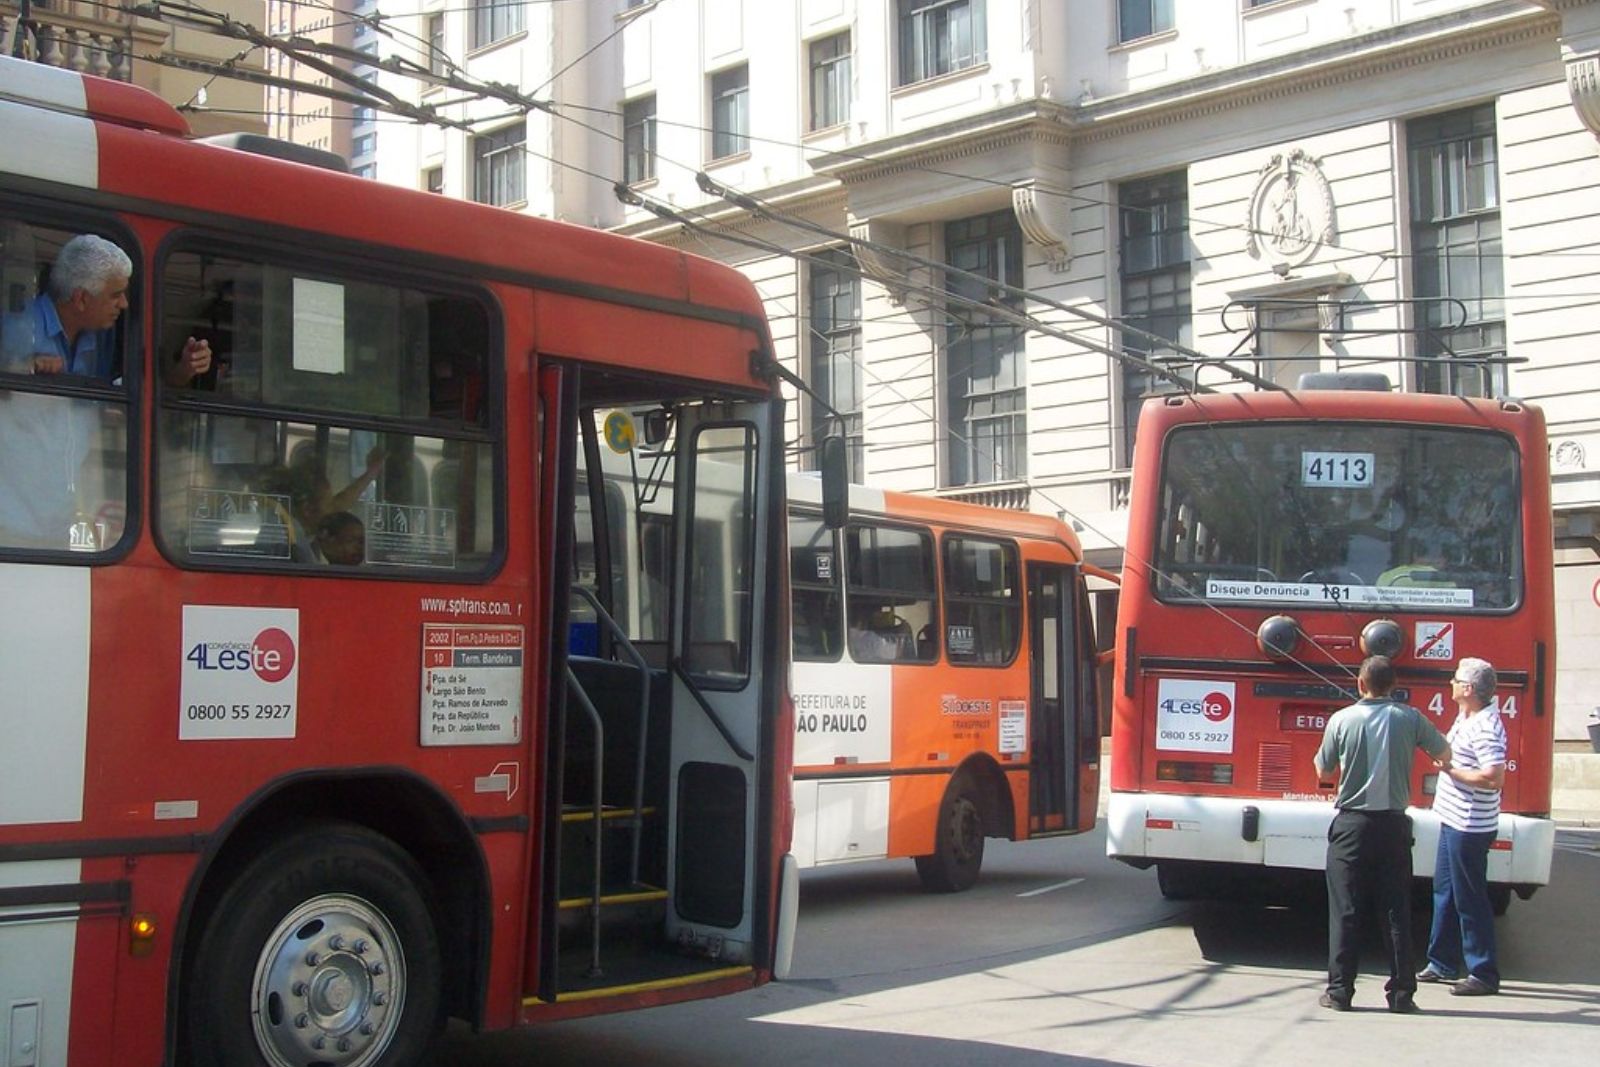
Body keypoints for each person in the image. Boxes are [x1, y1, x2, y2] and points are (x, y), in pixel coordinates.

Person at [1314, 655, 1451, 1013]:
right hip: (1393, 825)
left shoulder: (1340, 720)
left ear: (1360, 684)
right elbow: (1443, 751)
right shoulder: (1410, 718)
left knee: (1345, 908)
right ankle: (1402, 994)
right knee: (1395, 910)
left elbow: (1324, 768)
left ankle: (1340, 991)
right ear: (1394, 685)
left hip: (1351, 826)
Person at [1417, 656, 1505, 997]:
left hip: (1470, 825)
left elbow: (1492, 777)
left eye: (1456, 680)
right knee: (1445, 891)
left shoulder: (1486, 726)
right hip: (1453, 818)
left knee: (1470, 897)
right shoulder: (1466, 716)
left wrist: (1450, 770)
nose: (1451, 683)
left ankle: (1483, 972)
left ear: (1468, 689)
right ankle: (1441, 961)